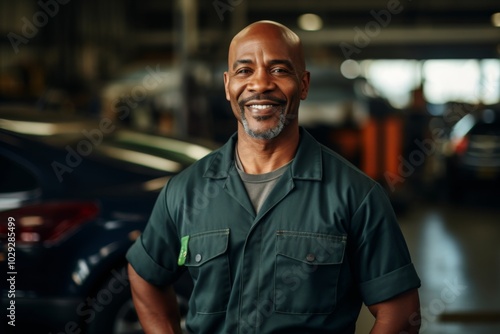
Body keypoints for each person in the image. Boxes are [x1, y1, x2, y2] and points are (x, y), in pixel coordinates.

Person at [126, 20, 421, 334]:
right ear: (228, 85)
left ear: (304, 84)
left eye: (279, 70)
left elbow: (400, 313)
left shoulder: (356, 195)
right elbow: (145, 276)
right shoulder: (185, 191)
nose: (260, 84)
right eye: (244, 71)